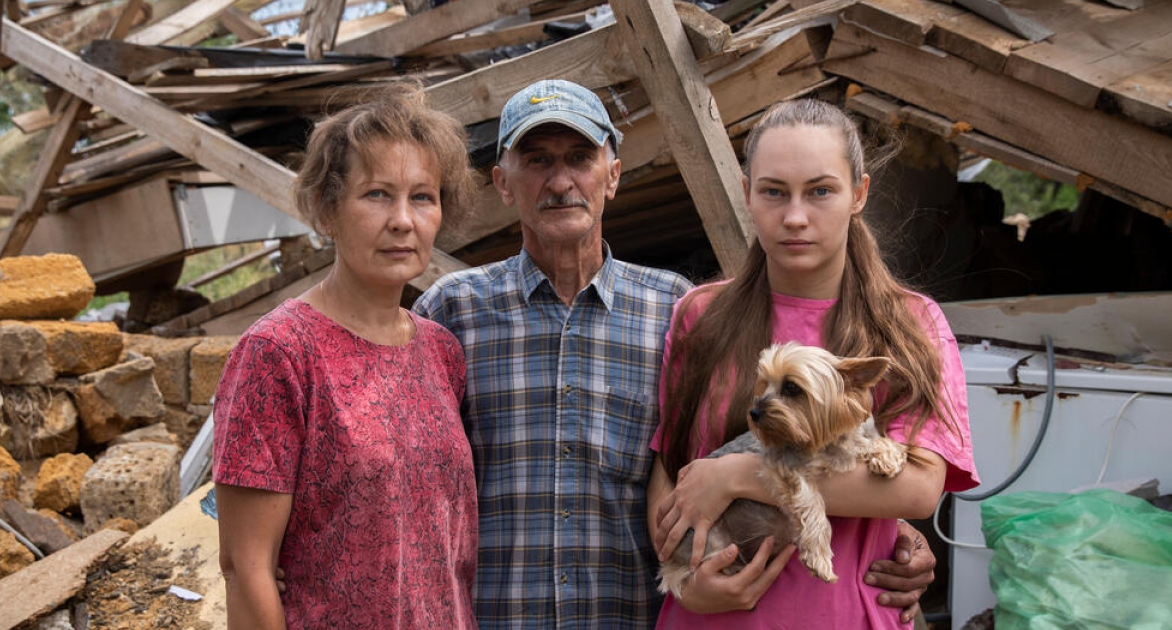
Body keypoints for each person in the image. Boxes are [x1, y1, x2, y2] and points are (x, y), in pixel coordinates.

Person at [414, 80, 939, 629]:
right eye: (537, 160)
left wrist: (892, 532)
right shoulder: (450, 313)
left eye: (580, 157)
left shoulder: (677, 311)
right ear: (502, 182)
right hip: (493, 614)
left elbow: (705, 453)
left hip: (630, 615)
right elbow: (413, 482)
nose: (561, 180)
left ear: (613, 175)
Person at [647, 98, 979, 629]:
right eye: (774, 191)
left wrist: (737, 474)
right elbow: (670, 468)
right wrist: (686, 585)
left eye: (820, 191)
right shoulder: (702, 315)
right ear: (747, 195)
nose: (795, 216)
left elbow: (917, 488)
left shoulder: (908, 322)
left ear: (859, 195)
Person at [212, 85, 481, 629]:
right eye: (378, 194)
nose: (403, 220)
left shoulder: (440, 351)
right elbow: (246, 569)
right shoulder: (279, 354)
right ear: (327, 209)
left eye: (422, 196)